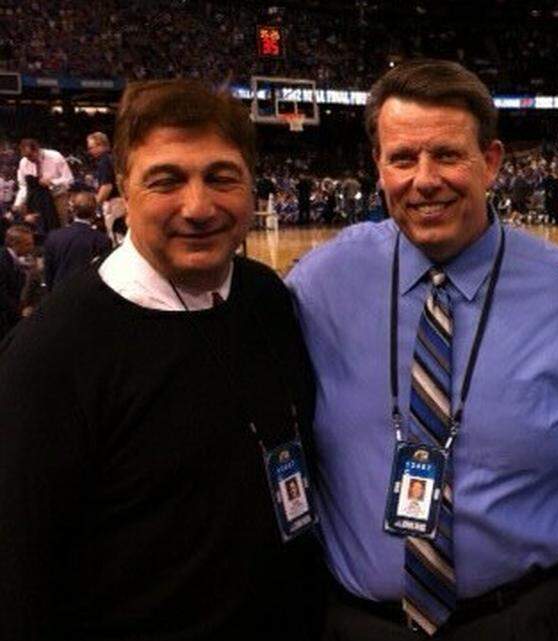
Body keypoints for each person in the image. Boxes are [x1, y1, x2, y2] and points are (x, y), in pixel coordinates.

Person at [286, 59, 558, 640]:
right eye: (403, 159)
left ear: (490, 161)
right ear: (378, 167)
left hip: (524, 619)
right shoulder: (320, 283)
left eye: (447, 155)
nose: (425, 179)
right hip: (360, 622)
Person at [0, 79, 323, 640]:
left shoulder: (267, 297)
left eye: (221, 177)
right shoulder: (50, 356)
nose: (198, 207)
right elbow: (18, 581)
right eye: (166, 180)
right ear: (123, 185)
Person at [43, 191, 112, 290]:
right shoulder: (102, 240)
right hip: (87, 295)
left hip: (59, 295)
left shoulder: (54, 237)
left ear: (72, 210)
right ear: (94, 211)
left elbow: (48, 274)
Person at [13, 139, 71, 235]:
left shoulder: (55, 156)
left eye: (30, 155)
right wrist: (18, 203)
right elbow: (23, 186)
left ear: (37, 149)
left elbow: (68, 179)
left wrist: (52, 182)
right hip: (36, 199)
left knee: (60, 226)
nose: (28, 159)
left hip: (57, 196)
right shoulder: (24, 162)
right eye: (25, 156)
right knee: (37, 228)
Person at [87, 131, 126, 245]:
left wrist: (95, 205)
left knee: (116, 237)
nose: (90, 151)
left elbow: (107, 187)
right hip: (123, 199)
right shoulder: (114, 157)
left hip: (114, 203)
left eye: (91, 147)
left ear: (101, 145)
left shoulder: (104, 161)